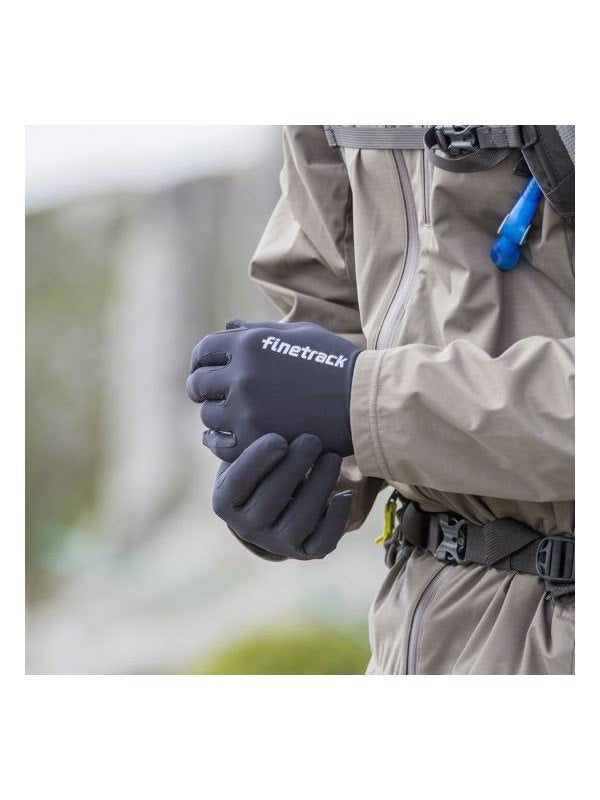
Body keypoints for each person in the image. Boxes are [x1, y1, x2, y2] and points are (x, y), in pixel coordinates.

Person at [187, 125, 575, 674]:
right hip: (418, 631)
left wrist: (367, 403)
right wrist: (296, 471)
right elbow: (325, 296)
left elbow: (363, 396)